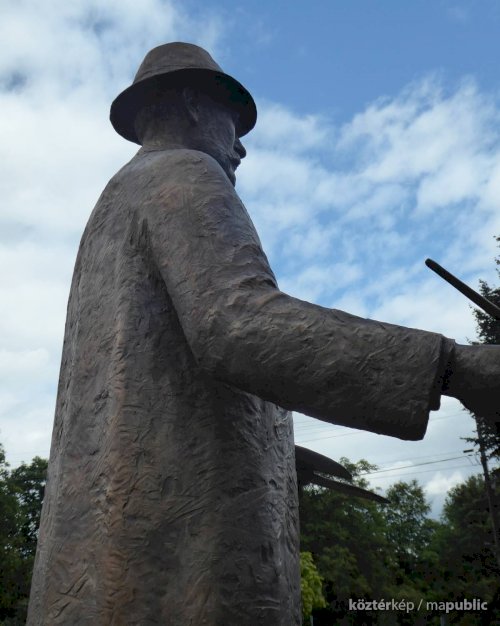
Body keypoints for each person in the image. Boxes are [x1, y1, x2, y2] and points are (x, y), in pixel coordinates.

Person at [27, 42, 500, 626]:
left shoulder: (114, 203)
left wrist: (275, 455)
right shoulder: (182, 172)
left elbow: (156, 387)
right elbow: (237, 324)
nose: (241, 145)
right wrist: (454, 366)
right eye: (234, 121)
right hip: (180, 575)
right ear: (192, 104)